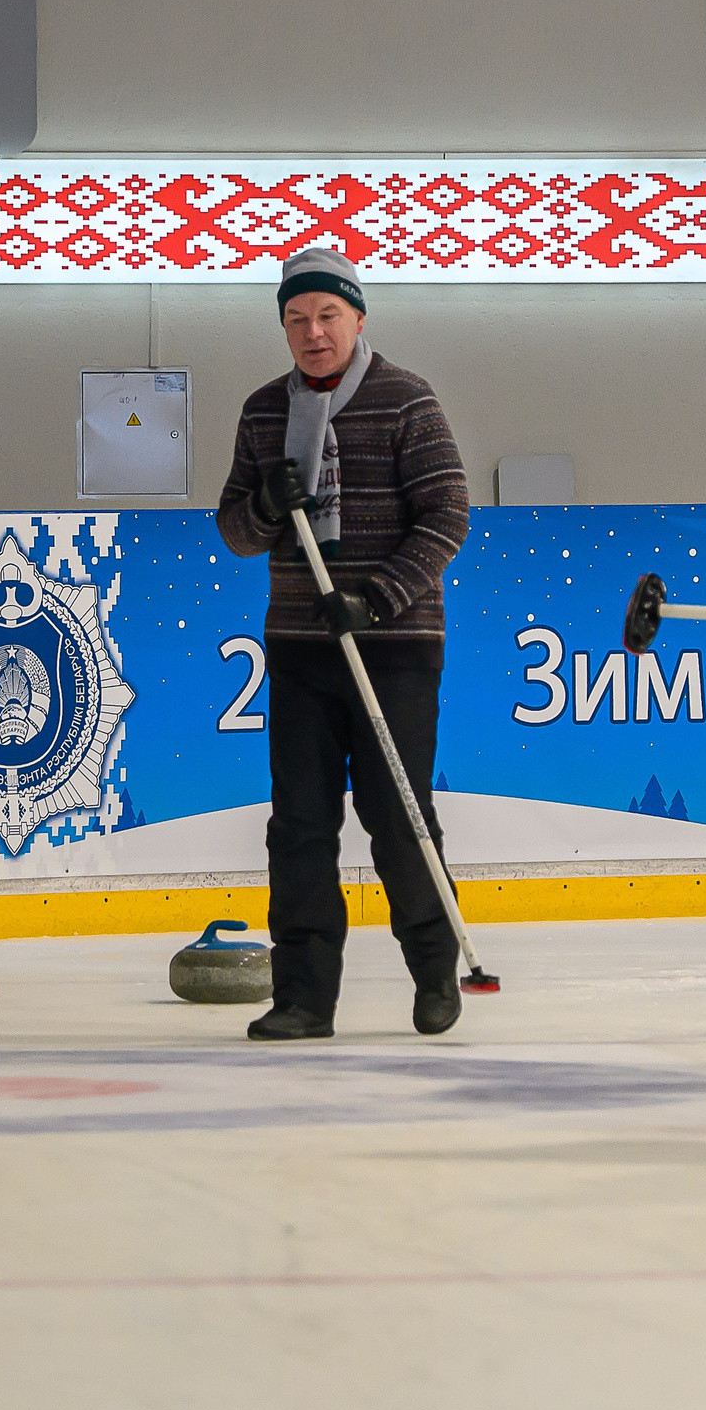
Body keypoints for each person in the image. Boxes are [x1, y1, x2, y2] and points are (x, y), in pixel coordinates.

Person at [216, 247, 471, 1041]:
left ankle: (435, 970)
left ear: (358, 318)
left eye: (327, 315)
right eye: (296, 319)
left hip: (393, 647)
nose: (313, 332)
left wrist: (376, 599)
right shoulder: (265, 412)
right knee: (298, 823)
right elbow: (235, 529)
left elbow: (448, 516)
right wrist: (266, 500)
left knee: (397, 815)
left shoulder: (405, 400)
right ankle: (303, 996)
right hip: (299, 649)